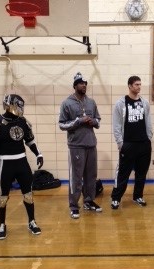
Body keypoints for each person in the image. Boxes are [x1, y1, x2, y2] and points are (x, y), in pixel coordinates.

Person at [0, 94, 43, 240]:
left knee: (28, 195)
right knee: (3, 197)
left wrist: (38, 154)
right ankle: (1, 224)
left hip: (22, 162)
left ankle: (31, 221)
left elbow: (29, 141)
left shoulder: (23, 122)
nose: (21, 108)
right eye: (19, 105)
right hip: (5, 163)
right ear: (10, 104)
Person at [59, 72, 102, 219]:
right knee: (76, 177)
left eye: (85, 83)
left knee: (91, 176)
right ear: (75, 85)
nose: (84, 85)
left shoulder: (91, 102)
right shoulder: (67, 103)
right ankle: (73, 205)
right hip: (76, 146)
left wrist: (93, 122)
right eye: (81, 83)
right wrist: (78, 121)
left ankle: (89, 201)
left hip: (91, 144)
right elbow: (62, 125)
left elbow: (98, 121)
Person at [111, 75, 153, 209]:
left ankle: (138, 196)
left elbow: (148, 121)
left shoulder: (145, 103)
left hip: (144, 144)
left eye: (140, 84)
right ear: (129, 86)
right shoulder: (120, 103)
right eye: (136, 84)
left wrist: (149, 138)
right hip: (128, 144)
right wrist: (120, 143)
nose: (139, 87)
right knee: (123, 173)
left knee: (141, 173)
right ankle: (116, 198)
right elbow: (116, 125)